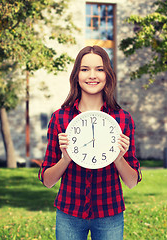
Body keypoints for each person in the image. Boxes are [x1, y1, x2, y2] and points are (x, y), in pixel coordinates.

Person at [38, 45, 142, 240]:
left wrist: (119, 157)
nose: (92, 75)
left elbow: (132, 182)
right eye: (85, 69)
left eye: (99, 69)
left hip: (109, 212)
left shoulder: (122, 119)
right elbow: (47, 180)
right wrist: (66, 158)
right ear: (76, 75)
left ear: (107, 75)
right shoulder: (60, 118)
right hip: (69, 212)